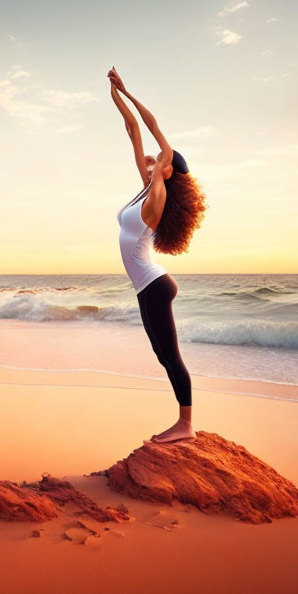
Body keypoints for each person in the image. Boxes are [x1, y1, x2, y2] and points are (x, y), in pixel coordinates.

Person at [109, 66, 207, 443]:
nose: (151, 159)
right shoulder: (144, 188)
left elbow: (150, 127)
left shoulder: (157, 196)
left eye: (160, 159)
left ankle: (186, 426)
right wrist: (115, 94)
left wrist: (131, 91)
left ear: (167, 168)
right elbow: (134, 131)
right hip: (148, 286)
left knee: (171, 356)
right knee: (163, 355)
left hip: (154, 285)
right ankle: (183, 422)